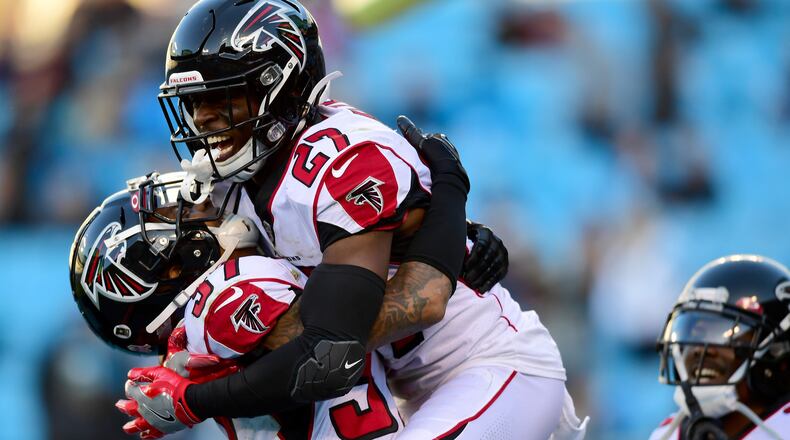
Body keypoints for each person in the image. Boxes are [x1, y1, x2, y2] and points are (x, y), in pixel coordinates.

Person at [121, 0, 587, 438]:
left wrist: (196, 399)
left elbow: (333, 352)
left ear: (276, 84)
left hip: (490, 366)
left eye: (220, 98)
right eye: (194, 104)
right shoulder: (244, 176)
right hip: (407, 388)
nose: (202, 120)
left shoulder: (345, 161)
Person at [70, 172, 408, 439]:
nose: (202, 208)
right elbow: (340, 338)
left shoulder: (193, 333)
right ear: (170, 269)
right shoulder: (227, 294)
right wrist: (446, 211)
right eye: (181, 214)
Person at [651, 254, 790, 440]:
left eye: (722, 333)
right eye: (694, 332)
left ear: (776, 352)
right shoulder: (667, 435)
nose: (699, 349)